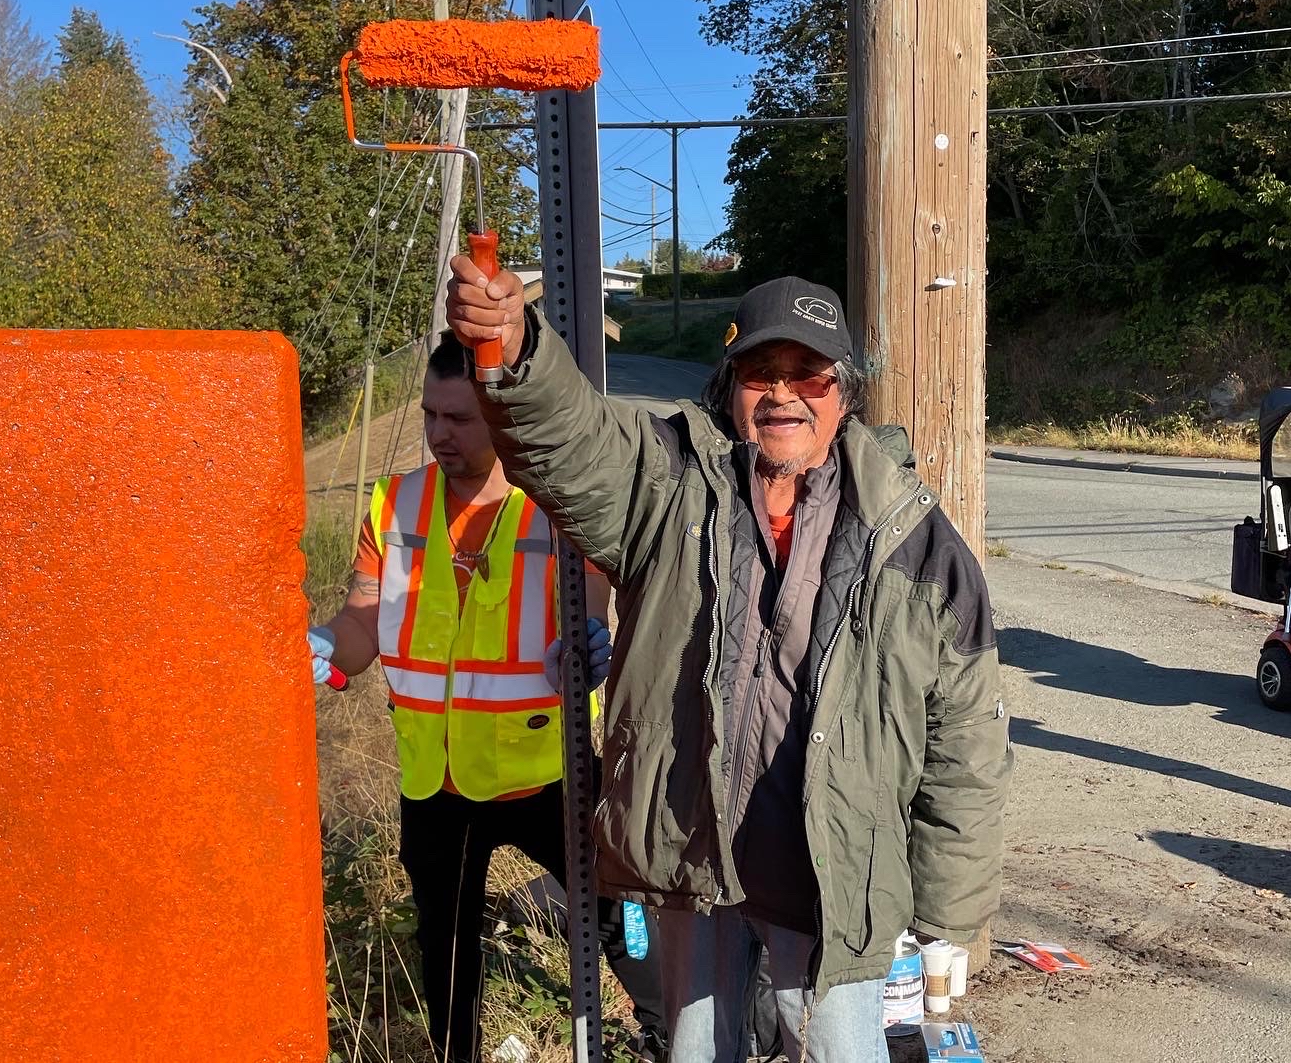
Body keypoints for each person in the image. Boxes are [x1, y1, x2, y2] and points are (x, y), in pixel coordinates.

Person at [443, 263, 1013, 1063]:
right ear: (730, 384)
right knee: (696, 1053)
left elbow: (966, 747)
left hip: (835, 881)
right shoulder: (668, 480)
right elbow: (567, 440)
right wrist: (515, 346)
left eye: (808, 373)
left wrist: (951, 915)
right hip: (690, 858)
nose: (784, 393)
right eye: (760, 371)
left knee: (843, 1055)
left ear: (842, 392)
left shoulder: (917, 543)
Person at [307, 337, 666, 1063]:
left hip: (547, 773)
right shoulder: (397, 503)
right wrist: (320, 645)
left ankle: (666, 1022)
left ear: (501, 418)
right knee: (446, 947)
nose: (440, 434)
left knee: (617, 911)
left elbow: (590, 605)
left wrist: (586, 642)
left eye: (460, 419)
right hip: (434, 780)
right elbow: (363, 622)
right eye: (430, 415)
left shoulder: (556, 502)